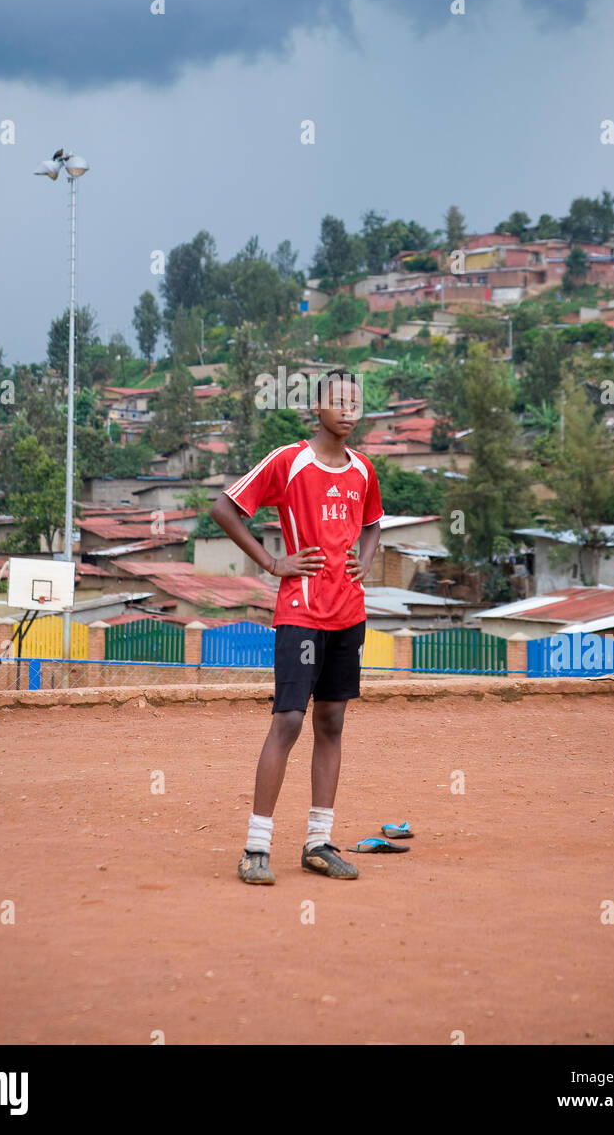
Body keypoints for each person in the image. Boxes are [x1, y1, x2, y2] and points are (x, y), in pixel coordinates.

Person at [210, 370, 383, 884]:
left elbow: (374, 523)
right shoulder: (289, 461)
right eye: (339, 401)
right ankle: (256, 848)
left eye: (357, 402)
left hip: (349, 613)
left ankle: (318, 843)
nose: (349, 410)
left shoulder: (363, 470)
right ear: (316, 407)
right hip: (301, 616)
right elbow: (224, 508)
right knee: (288, 722)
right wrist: (271, 562)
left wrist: (366, 562)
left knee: (331, 724)